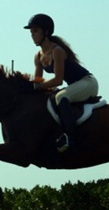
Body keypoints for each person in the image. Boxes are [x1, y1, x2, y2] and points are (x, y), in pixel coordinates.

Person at [24, 13, 99, 153]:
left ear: (46, 32)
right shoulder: (38, 56)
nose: (32, 35)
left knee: (60, 97)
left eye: (35, 31)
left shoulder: (57, 51)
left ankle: (70, 138)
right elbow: (38, 81)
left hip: (88, 83)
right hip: (75, 86)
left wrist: (37, 85)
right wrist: (27, 86)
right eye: (31, 32)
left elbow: (58, 80)